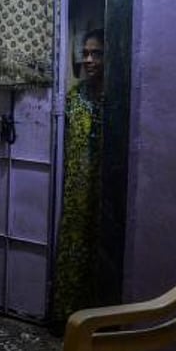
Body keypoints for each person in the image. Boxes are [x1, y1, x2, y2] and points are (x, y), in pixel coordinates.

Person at [51, 29, 105, 332]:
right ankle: (68, 315)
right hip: (75, 190)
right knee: (74, 248)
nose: (88, 59)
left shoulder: (115, 99)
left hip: (104, 192)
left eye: (96, 53)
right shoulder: (75, 98)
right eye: (85, 53)